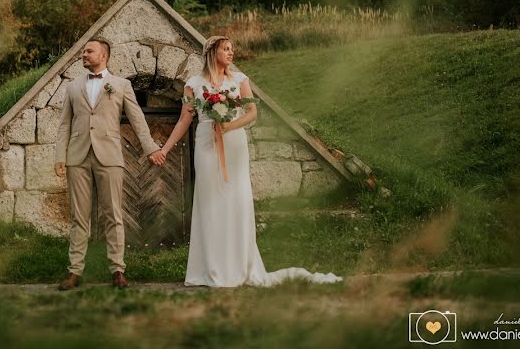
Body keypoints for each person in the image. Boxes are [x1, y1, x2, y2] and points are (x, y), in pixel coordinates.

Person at [154, 35, 343, 287]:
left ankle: (239, 265)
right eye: (226, 49)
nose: (231, 53)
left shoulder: (240, 80)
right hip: (206, 144)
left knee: (236, 199)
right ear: (212, 52)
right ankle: (210, 267)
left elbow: (252, 113)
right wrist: (165, 149)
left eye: (232, 49)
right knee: (209, 203)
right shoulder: (193, 84)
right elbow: (184, 120)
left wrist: (230, 125)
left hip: (234, 144)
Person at [54, 38, 164, 290]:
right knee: (78, 217)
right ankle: (75, 271)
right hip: (77, 157)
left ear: (103, 55)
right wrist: (61, 156)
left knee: (113, 214)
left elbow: (137, 119)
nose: (83, 54)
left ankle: (117, 270)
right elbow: (64, 125)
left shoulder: (121, 85)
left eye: (88, 51)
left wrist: (150, 149)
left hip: (110, 156)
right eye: (83, 51)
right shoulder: (72, 87)